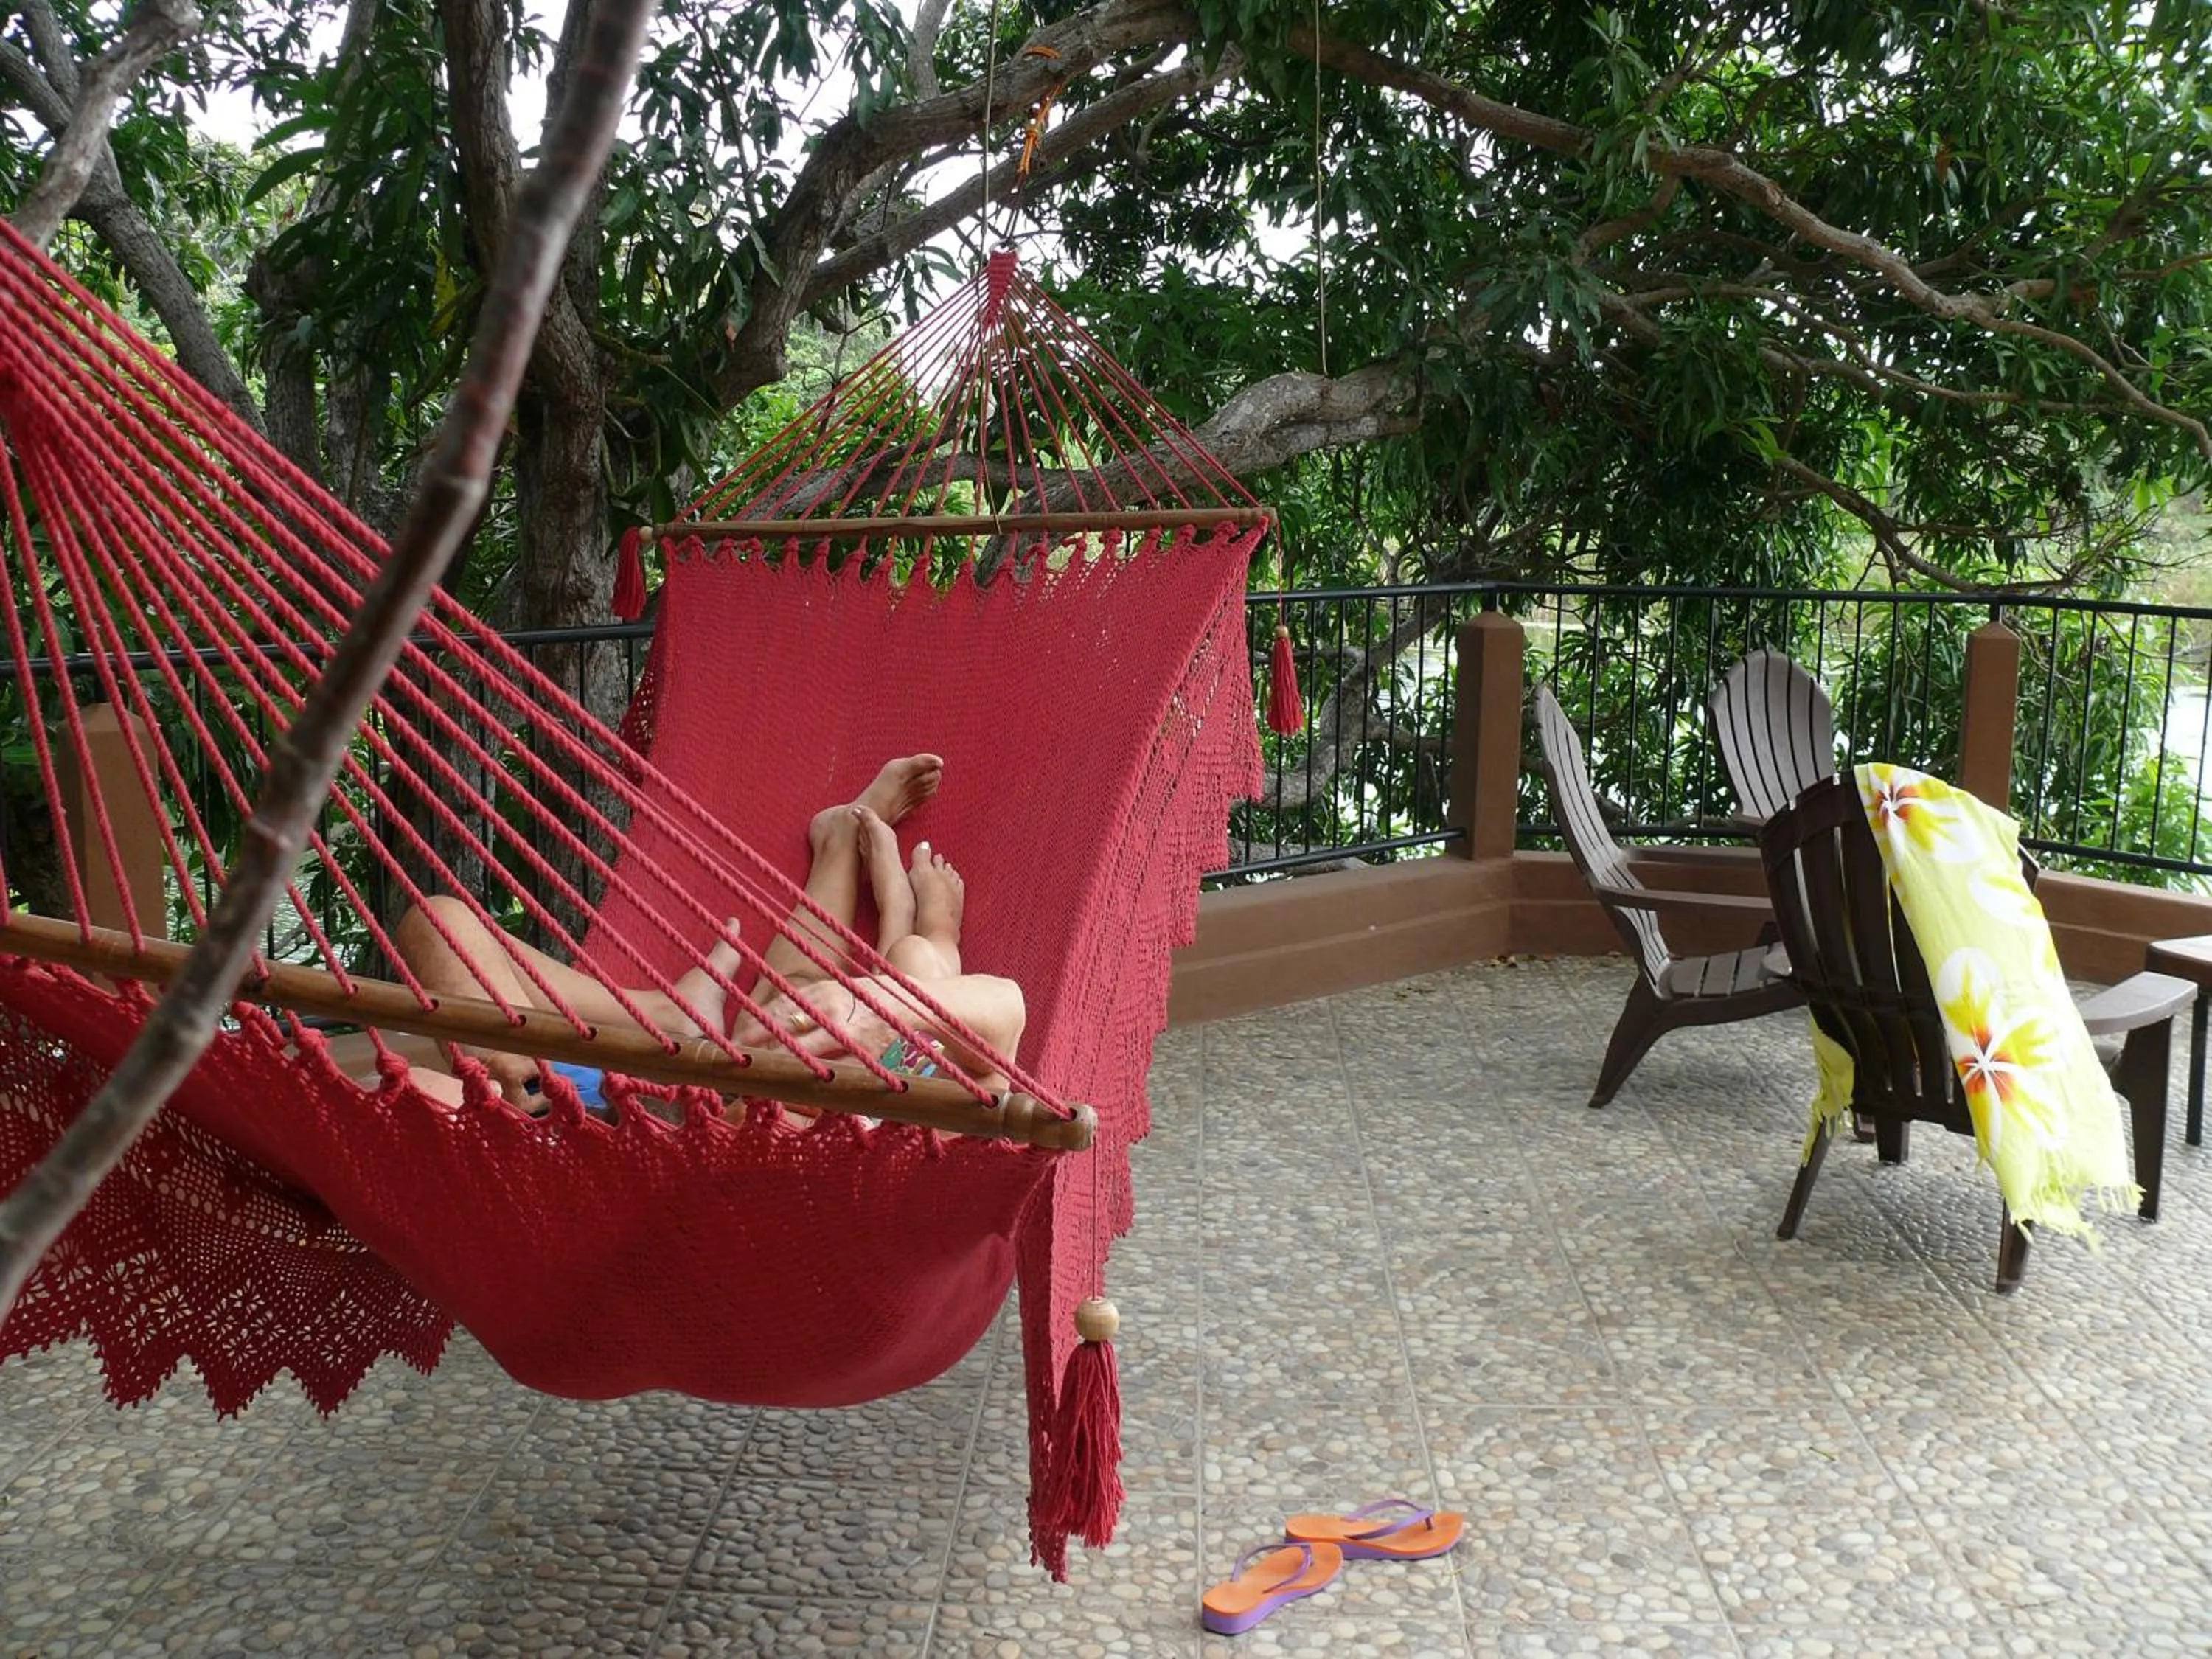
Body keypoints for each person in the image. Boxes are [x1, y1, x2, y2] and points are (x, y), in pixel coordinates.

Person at [386, 754, 1026, 1114]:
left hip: (597, 1112)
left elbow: (1000, 1023)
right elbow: (1004, 1015)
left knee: (874, 981)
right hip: (601, 1105)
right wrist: (873, 1007)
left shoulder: (831, 1124)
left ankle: (890, 909)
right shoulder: (873, 1089)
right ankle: (889, 903)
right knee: (860, 983)